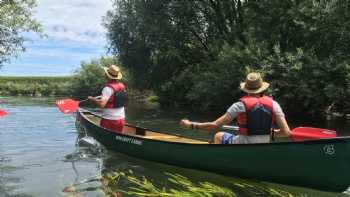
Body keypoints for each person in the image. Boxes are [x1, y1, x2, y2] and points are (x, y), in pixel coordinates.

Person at [180, 72, 291, 144]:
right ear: (262, 88)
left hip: (242, 145)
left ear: (246, 89)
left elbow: (215, 126)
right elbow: (286, 132)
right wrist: (269, 133)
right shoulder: (274, 104)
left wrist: (191, 125)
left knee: (218, 135)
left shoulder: (239, 105)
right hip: (263, 145)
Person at [88, 64, 127, 133]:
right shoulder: (122, 86)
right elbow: (115, 97)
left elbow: (102, 105)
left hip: (109, 120)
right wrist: (103, 97)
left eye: (105, 74)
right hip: (121, 119)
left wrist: (93, 99)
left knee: (104, 136)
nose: (104, 75)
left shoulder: (107, 89)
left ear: (107, 76)